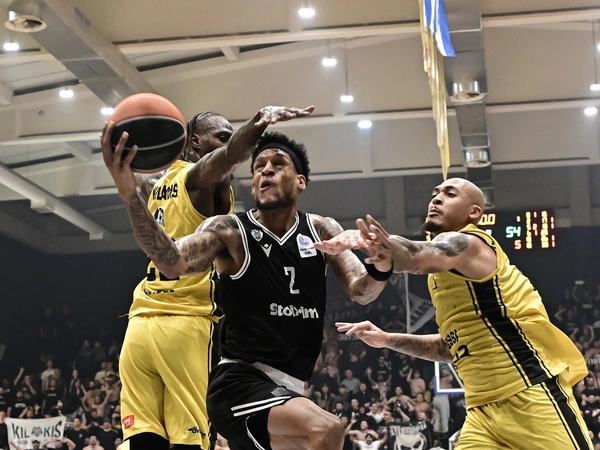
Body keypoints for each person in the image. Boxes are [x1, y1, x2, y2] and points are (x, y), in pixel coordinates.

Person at [102, 128, 395, 450]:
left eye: (278, 164)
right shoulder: (229, 230)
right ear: (253, 184)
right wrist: (131, 197)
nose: (266, 170)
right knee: (328, 429)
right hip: (240, 383)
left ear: (300, 181)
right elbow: (170, 261)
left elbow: (362, 291)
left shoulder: (322, 229)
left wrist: (381, 266)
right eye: (258, 167)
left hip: (289, 388)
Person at [316, 177, 593, 450]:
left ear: (474, 212)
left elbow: (414, 253)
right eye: (435, 193)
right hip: (481, 412)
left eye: (450, 194)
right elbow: (450, 347)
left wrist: (377, 242)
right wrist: (387, 339)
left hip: (530, 393)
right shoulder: (444, 277)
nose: (437, 198)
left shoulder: (470, 243)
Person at [104, 105, 313, 450]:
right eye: (221, 136)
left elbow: (136, 178)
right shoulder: (198, 178)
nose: (228, 143)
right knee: (192, 440)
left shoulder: (156, 183)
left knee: (143, 437)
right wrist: (259, 121)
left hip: (140, 324)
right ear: (195, 142)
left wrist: (120, 144)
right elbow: (231, 155)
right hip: (187, 325)